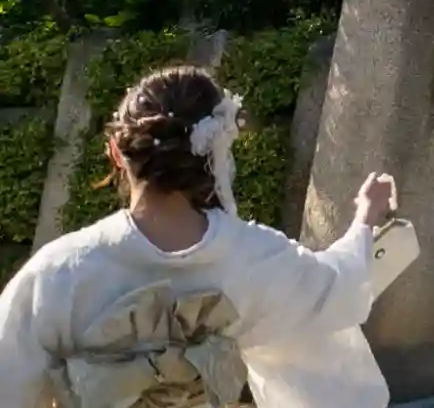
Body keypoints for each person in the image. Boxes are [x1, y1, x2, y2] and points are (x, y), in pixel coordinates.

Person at [0, 64, 399, 408]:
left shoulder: (58, 273)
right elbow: (338, 287)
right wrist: (366, 216)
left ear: (118, 153)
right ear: (214, 150)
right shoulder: (253, 257)